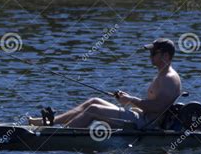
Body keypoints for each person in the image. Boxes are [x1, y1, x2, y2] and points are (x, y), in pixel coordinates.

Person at [28, 38, 182, 129]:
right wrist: (127, 99)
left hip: (144, 124)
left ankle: (58, 135)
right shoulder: (163, 74)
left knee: (94, 109)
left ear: (166, 55)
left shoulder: (169, 78)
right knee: (93, 101)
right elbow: (152, 104)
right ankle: (49, 123)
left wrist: (130, 100)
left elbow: (158, 107)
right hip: (140, 116)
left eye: (153, 53)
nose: (150, 56)